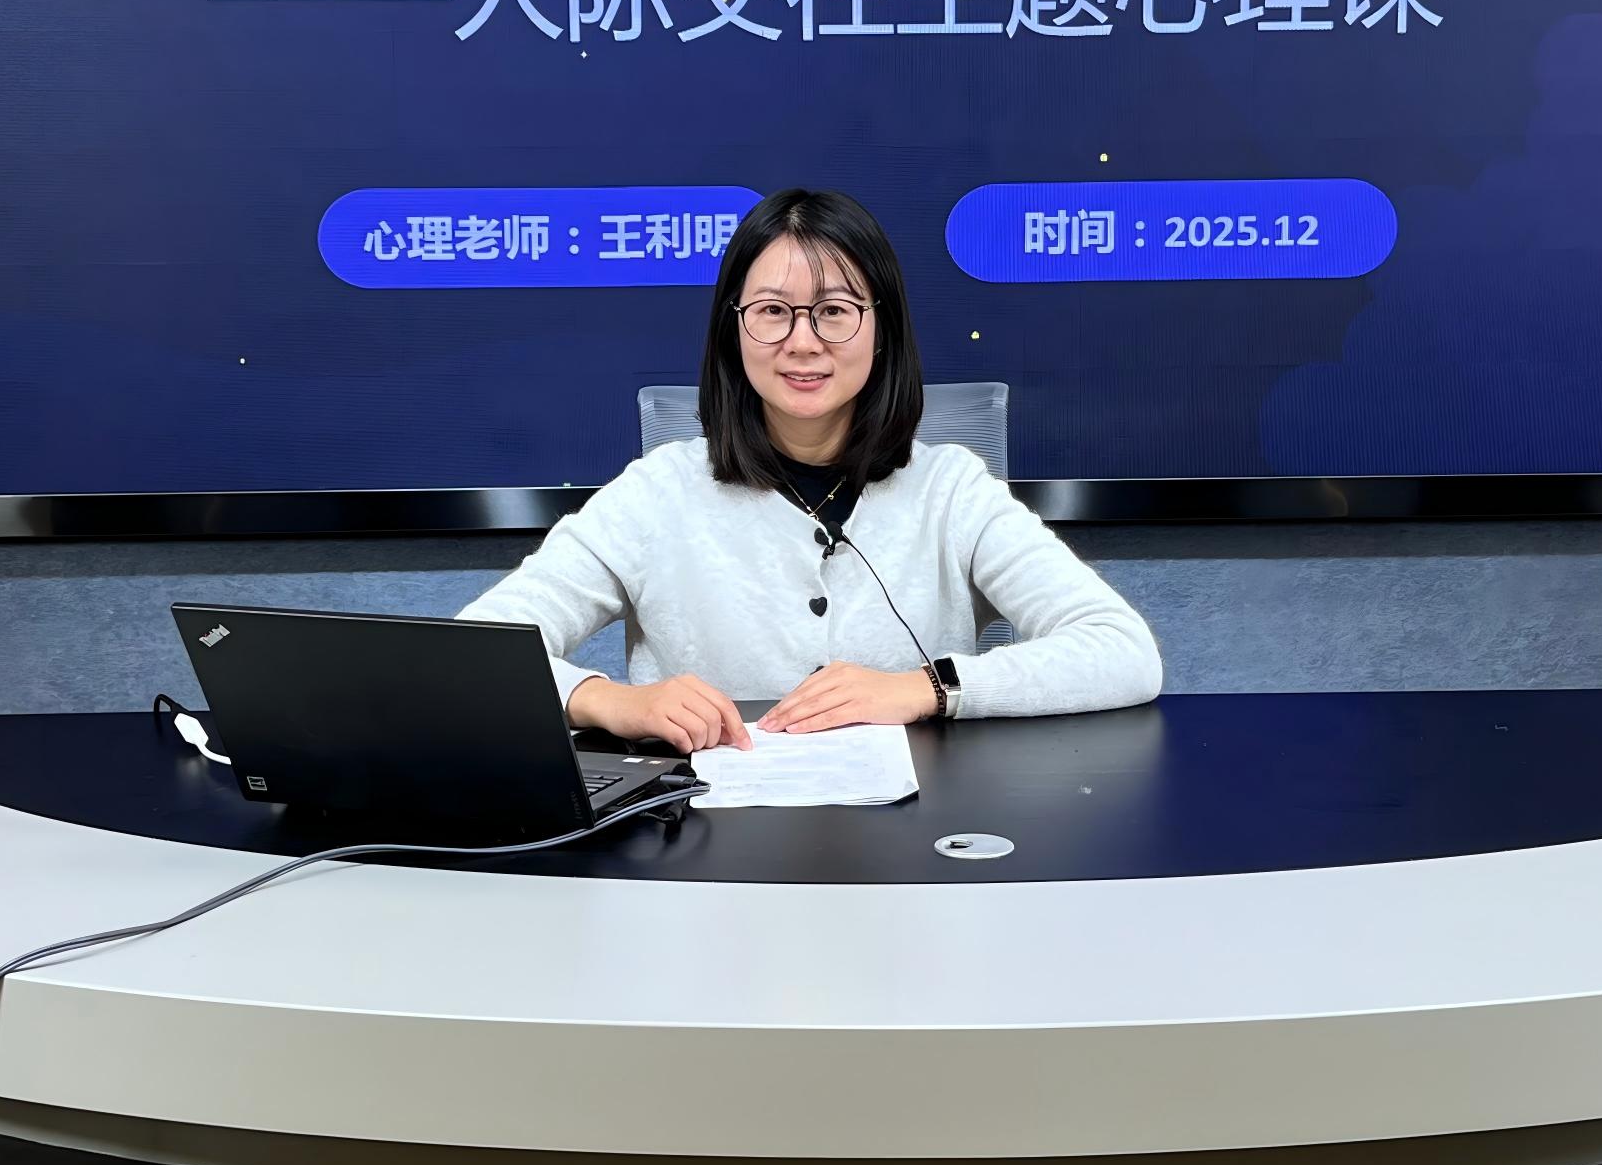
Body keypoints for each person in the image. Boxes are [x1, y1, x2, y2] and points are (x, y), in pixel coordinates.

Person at [459, 190, 1163, 750]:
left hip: (918, 840)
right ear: (733, 330)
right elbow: (475, 654)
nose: (803, 342)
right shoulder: (655, 493)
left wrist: (924, 688)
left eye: (834, 311)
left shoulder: (952, 491)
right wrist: (608, 700)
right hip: (705, 842)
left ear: (882, 329)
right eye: (772, 311)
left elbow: (1122, 650)